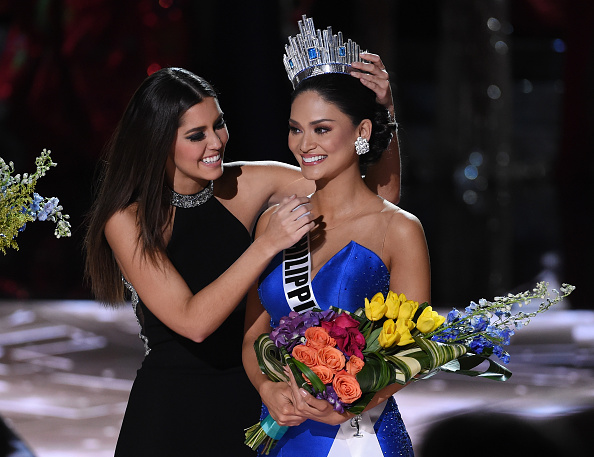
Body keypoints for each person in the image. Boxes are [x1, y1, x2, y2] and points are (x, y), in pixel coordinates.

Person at [84, 60, 400, 455]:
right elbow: (193, 322)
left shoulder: (249, 182)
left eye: (218, 124)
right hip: (170, 410)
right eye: (196, 135)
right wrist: (266, 244)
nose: (216, 142)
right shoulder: (126, 220)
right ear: (158, 140)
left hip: (254, 399)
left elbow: (374, 203)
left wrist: (383, 113)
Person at [242, 19, 430, 457]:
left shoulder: (398, 228)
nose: (304, 144)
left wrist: (357, 398)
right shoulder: (276, 221)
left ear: (361, 132)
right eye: (295, 128)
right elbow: (254, 335)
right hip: (285, 433)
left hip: (361, 438)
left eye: (322, 129)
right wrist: (267, 387)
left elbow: (415, 352)